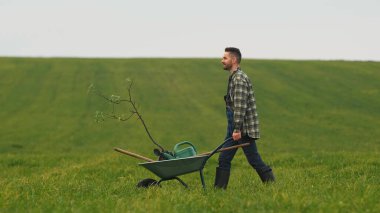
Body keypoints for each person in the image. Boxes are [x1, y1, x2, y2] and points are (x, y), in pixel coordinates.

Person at [214, 47, 275, 189]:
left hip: (241, 128)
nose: (221, 60)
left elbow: (240, 107)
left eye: (225, 58)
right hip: (235, 127)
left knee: (250, 159)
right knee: (227, 158)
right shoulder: (235, 77)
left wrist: (236, 129)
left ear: (234, 60)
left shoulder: (239, 79)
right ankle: (218, 191)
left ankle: (271, 184)